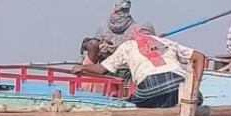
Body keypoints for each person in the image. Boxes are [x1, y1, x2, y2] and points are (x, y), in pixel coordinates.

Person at [76, 31, 205, 109]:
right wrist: (195, 85)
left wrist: (82, 67)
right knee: (197, 99)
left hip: (151, 84)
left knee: (129, 106)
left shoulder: (127, 46)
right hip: (178, 82)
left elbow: (101, 70)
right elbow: (200, 57)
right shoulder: (165, 42)